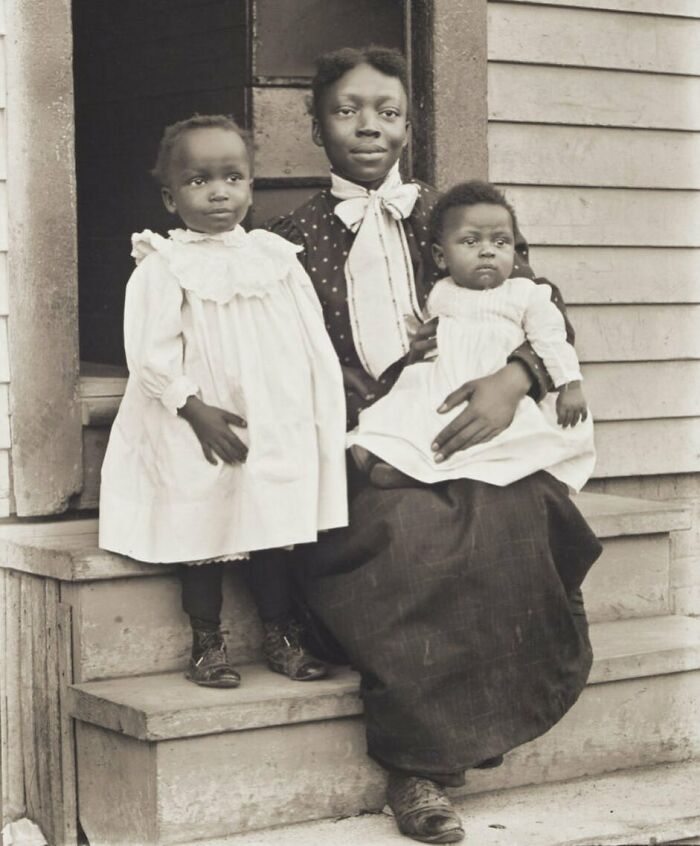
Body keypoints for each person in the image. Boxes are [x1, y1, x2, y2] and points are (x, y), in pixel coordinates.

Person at [268, 47, 602, 844]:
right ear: (317, 127)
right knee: (411, 537)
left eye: (386, 109)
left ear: (410, 125)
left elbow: (540, 306)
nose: (368, 126)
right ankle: (416, 764)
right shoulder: (288, 239)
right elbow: (282, 358)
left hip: (478, 429)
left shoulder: (451, 216)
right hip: (370, 435)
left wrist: (515, 379)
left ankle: (509, 680)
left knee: (518, 511)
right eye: (347, 109)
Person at [99, 114, 348, 688]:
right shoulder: (164, 266)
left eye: (233, 177)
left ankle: (281, 634)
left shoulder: (274, 258)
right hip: (193, 418)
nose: (218, 191)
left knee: (268, 525)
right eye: (198, 180)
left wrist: (304, 410)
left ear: (250, 185)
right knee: (202, 525)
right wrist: (193, 409)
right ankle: (206, 643)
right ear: (170, 196)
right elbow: (151, 354)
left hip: (268, 417)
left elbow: (305, 339)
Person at [347, 180, 596, 493]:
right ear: (441, 257)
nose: (488, 250)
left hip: (498, 385)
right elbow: (420, 332)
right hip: (444, 382)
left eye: (501, 242)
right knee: (408, 413)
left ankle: (431, 472)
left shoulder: (526, 293)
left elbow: (551, 339)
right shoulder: (440, 293)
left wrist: (570, 384)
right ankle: (397, 460)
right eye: (470, 242)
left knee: (508, 439)